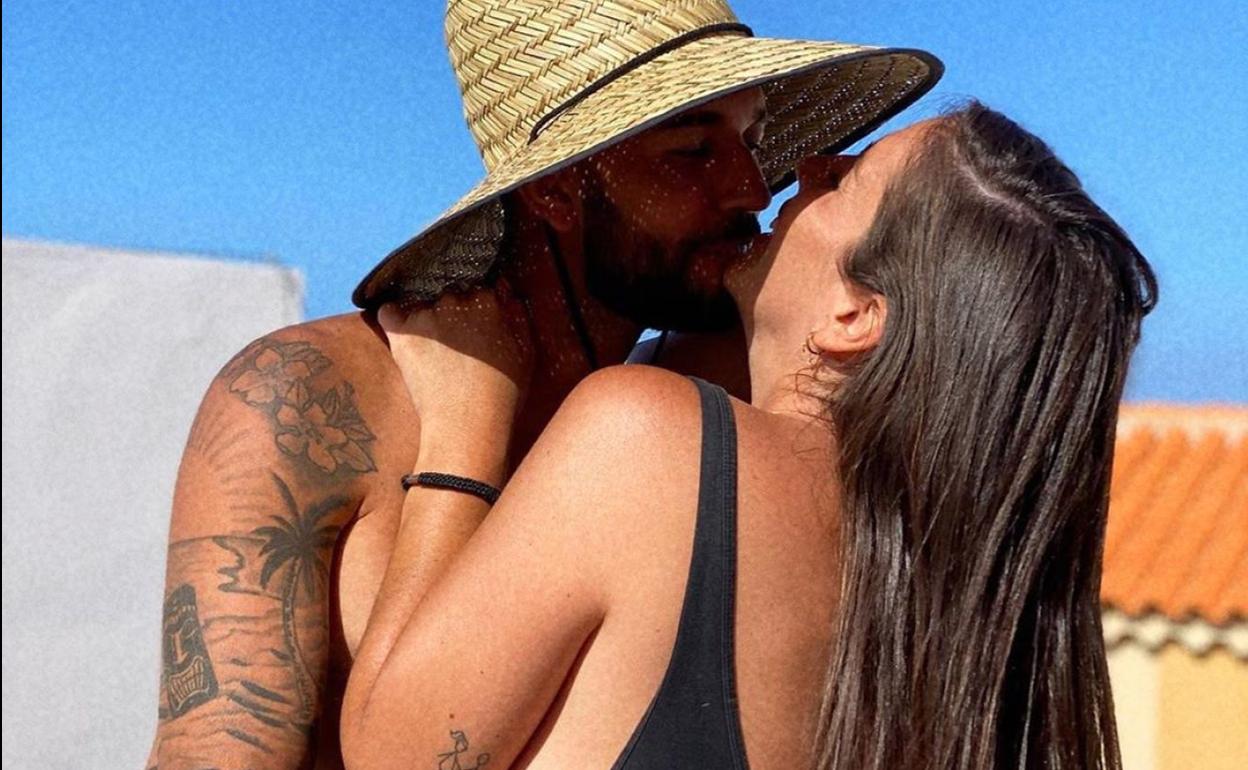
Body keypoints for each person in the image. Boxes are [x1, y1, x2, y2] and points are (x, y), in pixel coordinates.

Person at [144, 1, 941, 767]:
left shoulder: (720, 406)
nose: (753, 188)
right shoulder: (313, 396)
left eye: (752, 137)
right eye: (691, 151)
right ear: (554, 190)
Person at [340, 102, 1157, 770]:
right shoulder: (972, 604)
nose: (801, 172)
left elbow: (396, 758)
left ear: (855, 316)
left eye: (843, 180)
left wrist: (465, 422)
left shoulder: (651, 442)